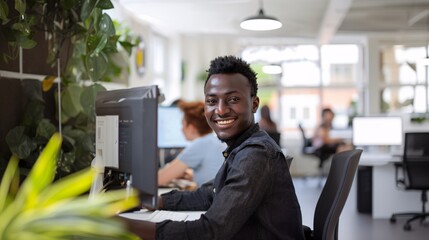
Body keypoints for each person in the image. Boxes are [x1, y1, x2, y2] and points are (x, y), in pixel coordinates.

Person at [122, 55, 305, 240]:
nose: (220, 110)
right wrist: (153, 201)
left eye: (233, 99)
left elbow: (210, 231)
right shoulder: (241, 148)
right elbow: (207, 196)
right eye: (211, 101)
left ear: (254, 104)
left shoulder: (256, 154)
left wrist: (122, 225)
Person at [158, 101, 226, 187]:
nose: (181, 129)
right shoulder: (215, 140)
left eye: (182, 124)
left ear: (191, 128)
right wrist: (192, 176)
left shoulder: (201, 144)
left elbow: (159, 179)